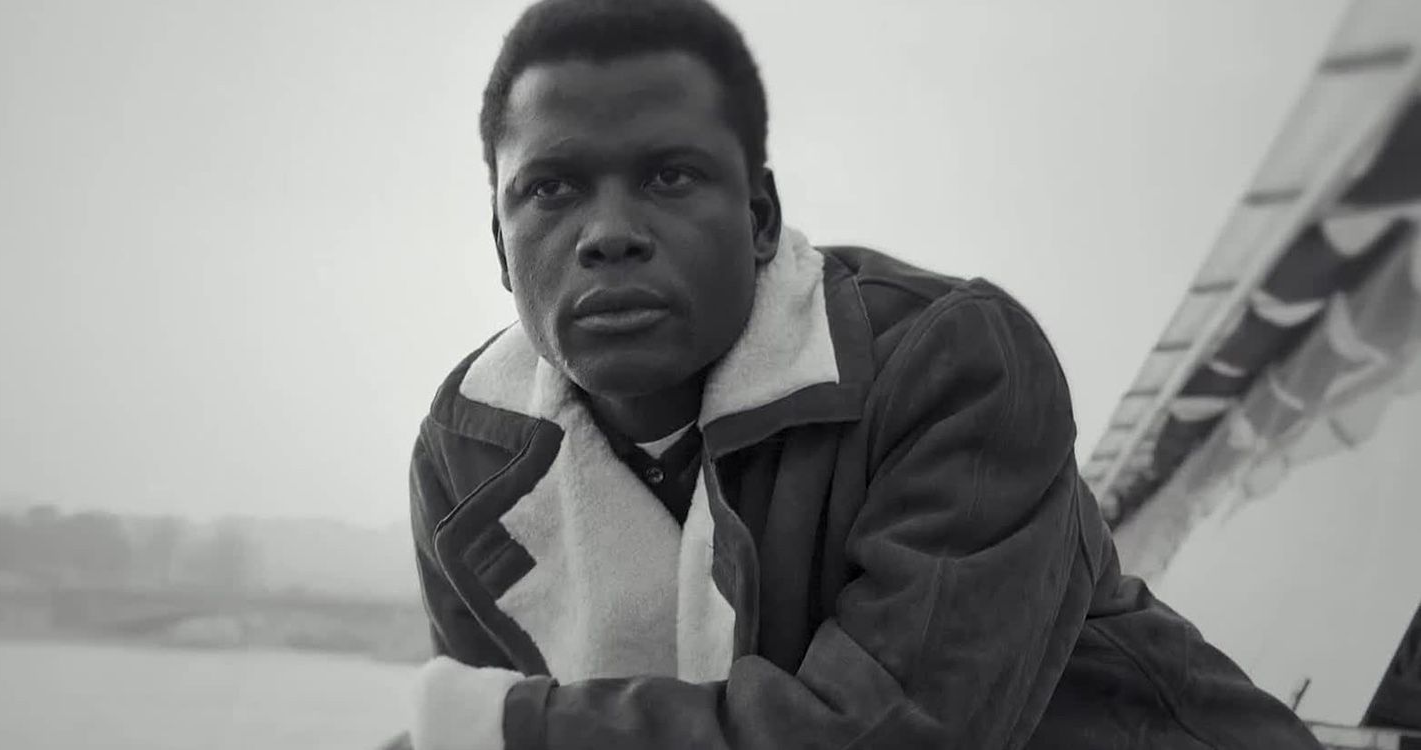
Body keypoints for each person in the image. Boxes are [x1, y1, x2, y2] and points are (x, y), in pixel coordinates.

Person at [402, 1, 1323, 747]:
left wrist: (506, 728)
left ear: (761, 219)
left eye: (670, 177)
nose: (607, 233)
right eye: (551, 188)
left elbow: (892, 736)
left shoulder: (954, 364)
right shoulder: (470, 451)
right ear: (499, 245)